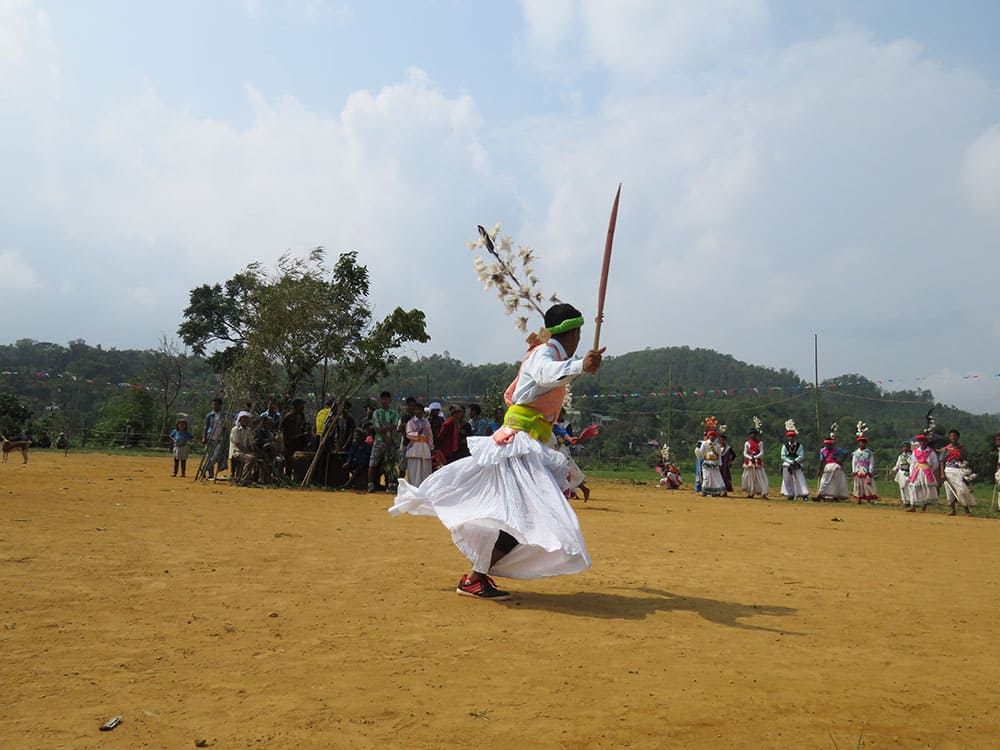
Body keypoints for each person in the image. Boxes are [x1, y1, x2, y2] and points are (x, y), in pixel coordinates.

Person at [390, 302, 604, 600]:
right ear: (572, 333)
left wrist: (579, 365)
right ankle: (475, 577)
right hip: (518, 443)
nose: (580, 338)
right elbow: (545, 375)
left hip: (528, 443)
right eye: (579, 332)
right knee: (518, 512)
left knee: (518, 512)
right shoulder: (544, 354)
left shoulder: (550, 353)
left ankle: (477, 575)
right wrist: (581, 366)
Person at [368, 391, 399, 493]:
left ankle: (389, 484)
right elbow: (377, 429)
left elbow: (393, 426)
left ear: (390, 400)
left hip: (390, 441)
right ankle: (371, 484)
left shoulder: (394, 413)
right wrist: (387, 438)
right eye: (383, 399)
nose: (385, 401)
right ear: (380, 400)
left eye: (387, 399)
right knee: (373, 463)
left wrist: (383, 428)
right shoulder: (376, 413)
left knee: (390, 463)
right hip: (379, 441)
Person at [940, 429, 975, 517]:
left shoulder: (962, 449)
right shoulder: (945, 449)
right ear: (949, 437)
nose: (953, 437)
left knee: (962, 490)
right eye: (951, 436)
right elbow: (942, 462)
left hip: (959, 471)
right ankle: (952, 510)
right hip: (948, 471)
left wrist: (967, 473)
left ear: (958, 437)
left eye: (955, 436)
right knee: (950, 491)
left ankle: (966, 510)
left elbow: (965, 461)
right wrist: (942, 474)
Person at [405, 403, 434, 487]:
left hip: (425, 446)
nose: (419, 412)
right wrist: (417, 433)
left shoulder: (426, 422)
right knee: (415, 468)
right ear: (414, 411)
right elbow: (408, 434)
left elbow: (430, 435)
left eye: (420, 410)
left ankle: (425, 486)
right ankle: (414, 485)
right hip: (415, 447)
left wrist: (431, 446)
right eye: (417, 410)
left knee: (425, 468)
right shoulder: (410, 422)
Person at [907, 433, 939, 511]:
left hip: (926, 471)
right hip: (917, 471)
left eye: (924, 441)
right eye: (920, 441)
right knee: (914, 487)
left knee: (926, 487)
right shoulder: (915, 451)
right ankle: (913, 505)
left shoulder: (931, 452)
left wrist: (929, 470)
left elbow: (935, 463)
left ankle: (924, 505)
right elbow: (912, 463)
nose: (922, 443)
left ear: (926, 442)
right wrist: (911, 472)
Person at [780, 421, 809, 500]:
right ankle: (790, 494)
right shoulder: (785, 446)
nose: (791, 438)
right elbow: (783, 456)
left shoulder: (799, 446)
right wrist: (790, 462)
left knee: (800, 478)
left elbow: (801, 455)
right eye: (790, 437)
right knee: (787, 480)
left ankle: (804, 494)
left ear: (795, 437)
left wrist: (795, 461)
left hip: (797, 463)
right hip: (788, 463)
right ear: (788, 437)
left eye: (792, 436)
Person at [280, 398, 308, 478]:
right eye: (301, 405)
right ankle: (287, 477)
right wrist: (284, 442)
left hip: (299, 440)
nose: (303, 407)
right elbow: (282, 428)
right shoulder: (288, 416)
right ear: (296, 406)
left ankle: (297, 477)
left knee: (298, 459)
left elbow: (302, 427)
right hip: (289, 441)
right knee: (289, 460)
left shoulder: (302, 416)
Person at [816, 433, 849, 501]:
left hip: (834, 466)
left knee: (829, 482)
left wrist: (841, 461)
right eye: (827, 444)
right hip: (830, 467)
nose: (828, 445)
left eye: (829, 444)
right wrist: (820, 470)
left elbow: (846, 453)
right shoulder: (823, 450)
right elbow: (822, 461)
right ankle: (823, 495)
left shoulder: (836, 449)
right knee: (827, 481)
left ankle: (824, 495)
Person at [202, 397, 228, 479]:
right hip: (210, 437)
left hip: (219, 439)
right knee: (208, 456)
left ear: (220, 405)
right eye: (213, 404)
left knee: (215, 456)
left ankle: (203, 469)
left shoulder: (223, 415)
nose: (215, 406)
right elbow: (205, 427)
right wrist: (204, 437)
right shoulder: (209, 416)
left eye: (216, 404)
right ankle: (211, 474)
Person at [229, 411, 257, 485]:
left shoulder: (249, 430)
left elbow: (251, 443)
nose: (246, 421)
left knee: (257, 456)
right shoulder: (235, 429)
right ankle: (244, 479)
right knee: (250, 458)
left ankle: (255, 478)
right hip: (236, 452)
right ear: (240, 420)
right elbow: (238, 445)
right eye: (244, 419)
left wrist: (253, 449)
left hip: (245, 452)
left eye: (247, 419)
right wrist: (249, 452)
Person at [696, 428, 726, 496]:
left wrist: (720, 463)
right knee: (706, 477)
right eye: (710, 435)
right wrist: (698, 453)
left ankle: (716, 491)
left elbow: (719, 455)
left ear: (715, 437)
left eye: (713, 435)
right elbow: (702, 452)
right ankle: (705, 491)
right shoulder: (705, 444)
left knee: (716, 477)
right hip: (706, 462)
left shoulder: (717, 445)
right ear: (708, 436)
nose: (712, 437)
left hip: (714, 463)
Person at [741, 426, 769, 499]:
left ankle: (763, 492)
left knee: (760, 477)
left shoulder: (760, 443)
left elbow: (761, 452)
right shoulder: (747, 443)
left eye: (754, 434)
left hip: (757, 462)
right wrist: (750, 458)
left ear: (756, 434)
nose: (753, 435)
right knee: (749, 477)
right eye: (751, 434)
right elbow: (745, 453)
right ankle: (751, 492)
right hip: (749, 462)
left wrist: (755, 457)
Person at [850, 434, 878, 504]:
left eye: (864, 442)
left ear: (866, 443)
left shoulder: (869, 453)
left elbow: (871, 462)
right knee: (858, 485)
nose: (862, 444)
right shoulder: (856, 453)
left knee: (867, 485)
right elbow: (854, 462)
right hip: (858, 470)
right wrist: (853, 471)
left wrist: (870, 471)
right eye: (861, 442)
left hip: (866, 470)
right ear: (858, 443)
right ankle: (858, 499)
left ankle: (868, 499)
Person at [889, 441, 914, 507]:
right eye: (903, 447)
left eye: (906, 447)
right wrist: (893, 470)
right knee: (902, 487)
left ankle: (911, 501)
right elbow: (897, 465)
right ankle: (905, 501)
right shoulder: (900, 456)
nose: (904, 448)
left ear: (909, 447)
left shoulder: (912, 455)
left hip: (909, 472)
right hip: (901, 472)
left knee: (909, 487)